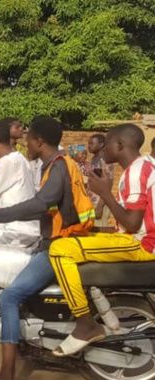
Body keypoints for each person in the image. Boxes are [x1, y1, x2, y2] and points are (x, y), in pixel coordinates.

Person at [0, 116, 95, 380]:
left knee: (8, 297)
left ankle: (7, 379)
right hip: (52, 243)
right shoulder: (53, 167)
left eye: (28, 138)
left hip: (57, 247)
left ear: (39, 141)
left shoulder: (58, 166)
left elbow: (38, 205)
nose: (24, 142)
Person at [49, 124, 154, 356]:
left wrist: (105, 193)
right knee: (73, 236)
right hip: (137, 237)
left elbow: (134, 224)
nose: (103, 147)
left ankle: (85, 324)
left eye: (107, 142)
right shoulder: (143, 166)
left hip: (142, 243)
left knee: (59, 249)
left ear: (119, 145)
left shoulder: (136, 171)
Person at [88, 133, 115, 231]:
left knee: (100, 232)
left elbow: (108, 184)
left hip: (100, 203)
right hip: (92, 203)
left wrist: (100, 206)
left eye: (91, 143)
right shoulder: (94, 159)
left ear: (101, 144)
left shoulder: (105, 160)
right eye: (88, 143)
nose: (89, 146)